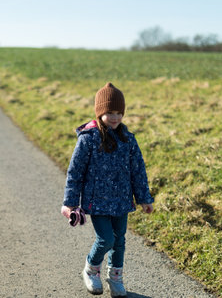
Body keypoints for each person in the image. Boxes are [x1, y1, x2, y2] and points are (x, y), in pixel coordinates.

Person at [61, 82, 154, 297]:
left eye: (119, 112)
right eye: (109, 112)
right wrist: (70, 202)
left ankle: (116, 280)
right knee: (106, 239)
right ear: (100, 112)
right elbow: (75, 172)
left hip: (121, 200)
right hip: (97, 201)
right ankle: (91, 270)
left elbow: (138, 171)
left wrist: (144, 198)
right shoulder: (89, 139)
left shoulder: (128, 140)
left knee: (119, 241)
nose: (114, 117)